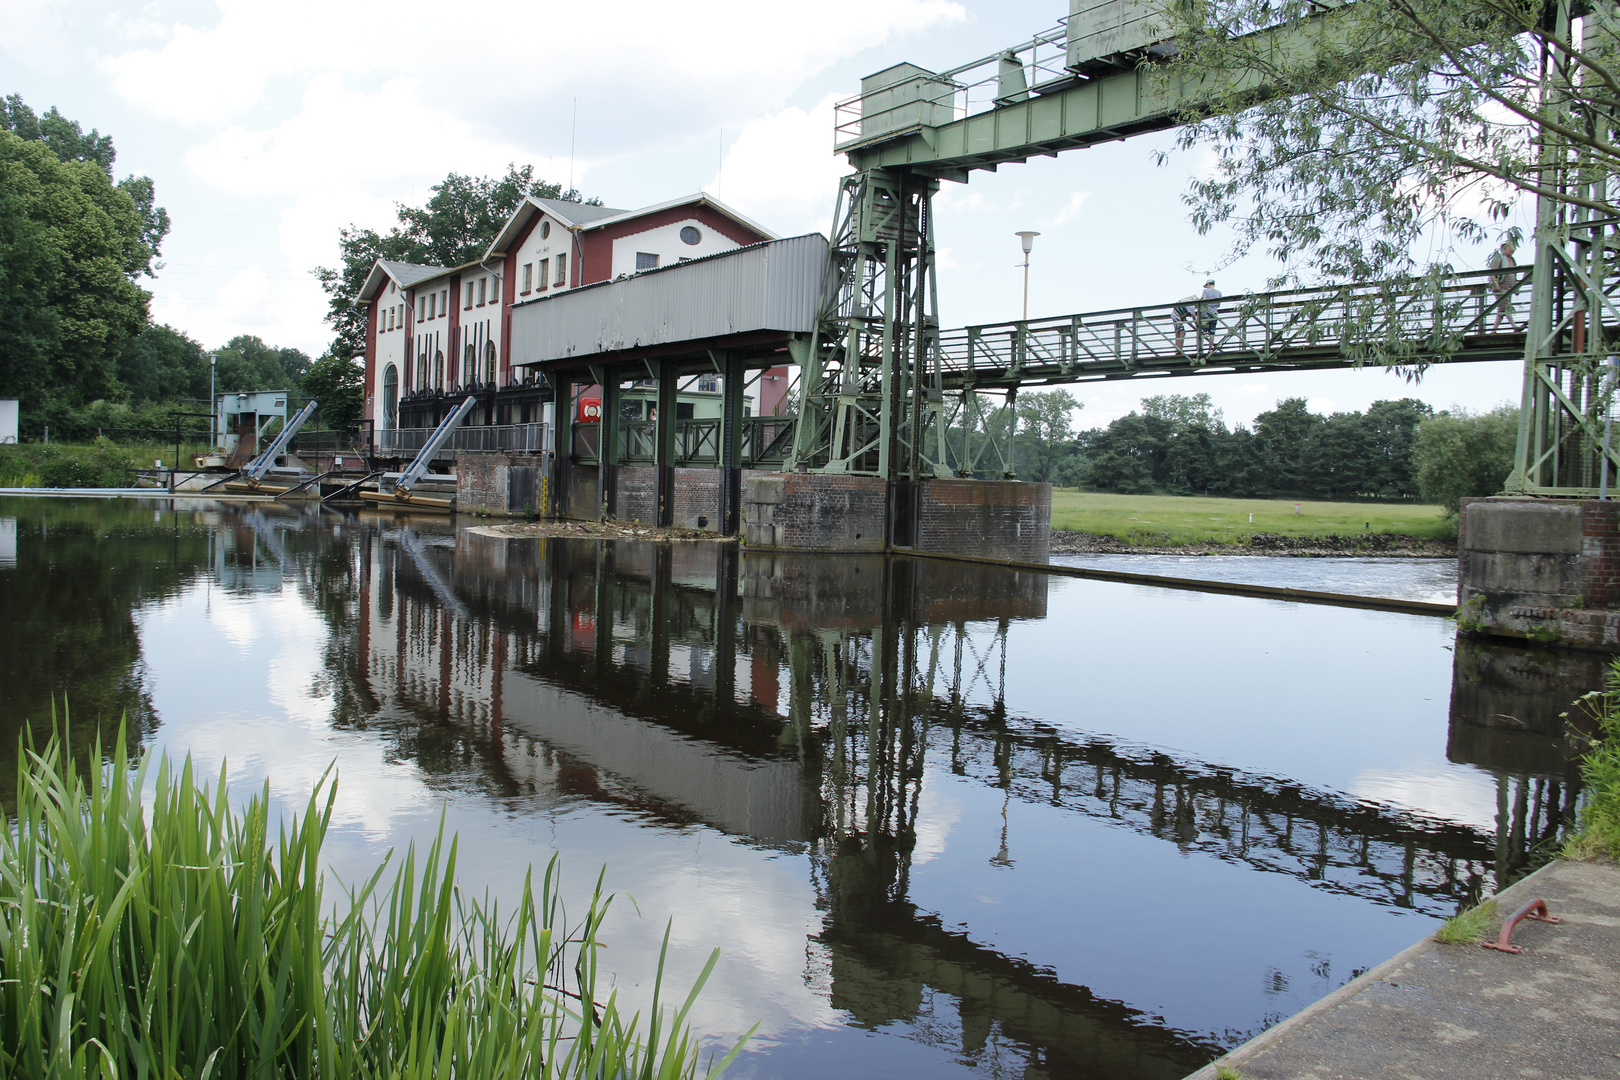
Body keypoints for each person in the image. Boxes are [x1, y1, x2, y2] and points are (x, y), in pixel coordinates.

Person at [1487, 240, 1517, 331]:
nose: (1512, 250)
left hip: (1509, 288)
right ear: (1504, 248)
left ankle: (1493, 330)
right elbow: (1492, 273)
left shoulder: (1511, 260)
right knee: (1506, 306)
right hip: (1501, 287)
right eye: (1510, 248)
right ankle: (1514, 326)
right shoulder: (1499, 258)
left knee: (1502, 309)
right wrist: (1496, 284)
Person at [1198, 279, 1222, 352]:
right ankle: (1210, 349)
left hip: (1206, 313)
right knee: (1212, 332)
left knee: (1203, 332)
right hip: (1214, 313)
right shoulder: (1219, 292)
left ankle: (1200, 349)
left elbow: (1204, 300)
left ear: (1208, 284)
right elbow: (1218, 305)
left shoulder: (1206, 291)